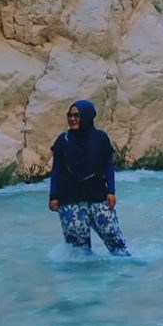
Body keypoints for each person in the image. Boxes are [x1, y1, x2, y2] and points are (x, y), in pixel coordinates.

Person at [48, 99, 130, 256]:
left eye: (77, 115)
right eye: (70, 115)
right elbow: (57, 169)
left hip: (98, 196)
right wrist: (53, 196)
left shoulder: (100, 138)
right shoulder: (63, 141)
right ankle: (85, 279)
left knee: (114, 238)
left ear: (87, 116)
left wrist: (111, 191)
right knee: (79, 251)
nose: (72, 119)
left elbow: (108, 165)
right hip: (70, 199)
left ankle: (126, 273)